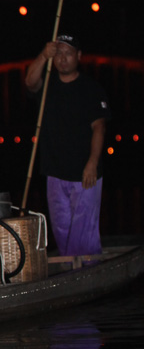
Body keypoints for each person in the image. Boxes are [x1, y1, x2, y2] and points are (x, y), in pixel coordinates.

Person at [25, 34, 111, 257]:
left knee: (84, 231)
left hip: (85, 174)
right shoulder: (48, 86)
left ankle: (88, 272)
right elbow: (30, 82)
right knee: (61, 230)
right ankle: (70, 274)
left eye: (69, 53)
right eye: (59, 53)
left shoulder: (92, 89)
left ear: (79, 56)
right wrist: (44, 55)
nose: (63, 59)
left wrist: (92, 163)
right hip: (55, 171)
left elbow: (99, 128)